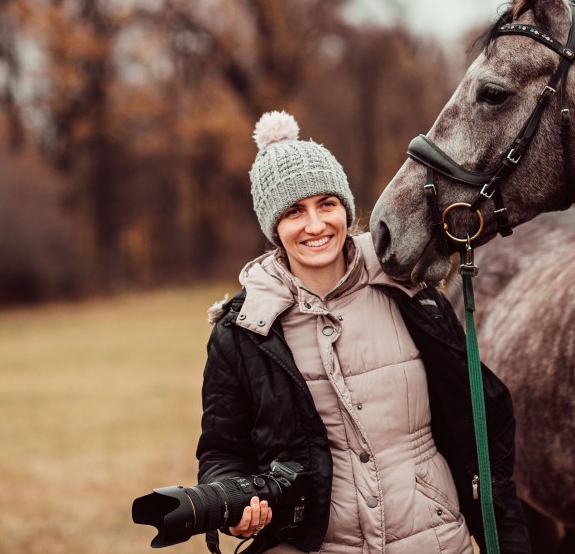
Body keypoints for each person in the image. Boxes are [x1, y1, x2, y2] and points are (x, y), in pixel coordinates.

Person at [197, 111, 532, 554]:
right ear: (273, 226)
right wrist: (236, 505)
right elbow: (221, 453)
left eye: (327, 204)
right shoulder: (242, 332)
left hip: (434, 541)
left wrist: (507, 539)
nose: (315, 226)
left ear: (346, 208)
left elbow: (475, 435)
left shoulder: (414, 295)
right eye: (295, 211)